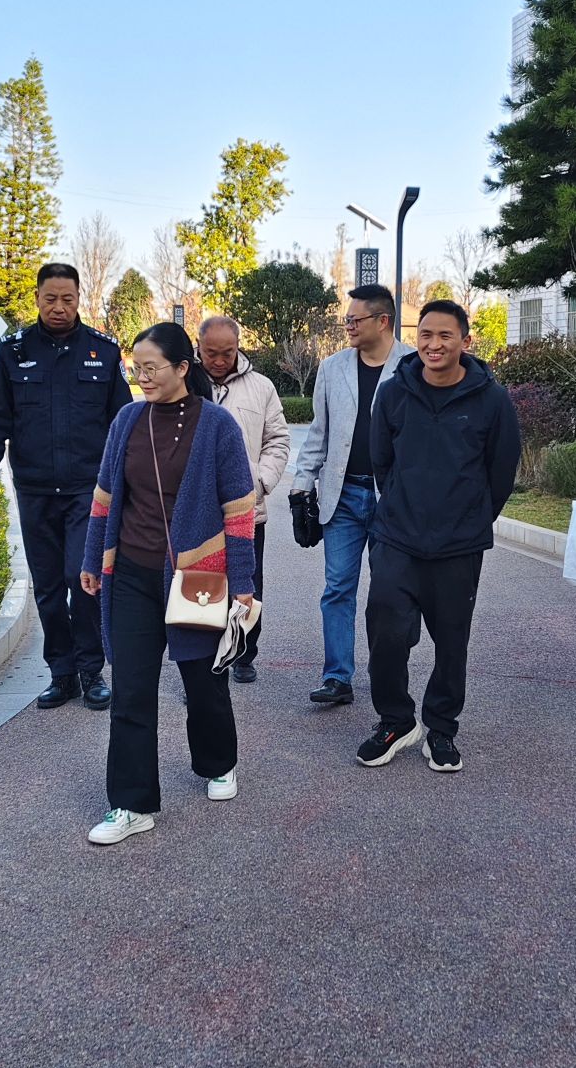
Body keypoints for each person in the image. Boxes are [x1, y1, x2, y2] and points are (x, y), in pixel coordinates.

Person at [77, 323, 259, 845]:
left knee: (202, 681)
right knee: (131, 690)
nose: (143, 377)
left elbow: (239, 511)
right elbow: (105, 497)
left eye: (152, 368)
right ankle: (131, 804)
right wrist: (92, 558)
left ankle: (218, 762)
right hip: (132, 573)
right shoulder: (127, 420)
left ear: (182, 368)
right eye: (136, 368)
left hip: (198, 573)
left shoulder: (217, 426)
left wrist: (242, 580)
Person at [358, 301, 521, 773]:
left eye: (445, 335)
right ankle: (395, 720)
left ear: (465, 341)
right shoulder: (394, 392)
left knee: (452, 642)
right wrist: (401, 505)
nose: (434, 344)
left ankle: (441, 728)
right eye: (426, 334)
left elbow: (501, 471)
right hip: (397, 538)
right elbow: (382, 461)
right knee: (386, 631)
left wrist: (471, 518)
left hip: (458, 545)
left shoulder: (491, 399)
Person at [0, 262, 130, 711]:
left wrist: (128, 480)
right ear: (38, 299)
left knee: (81, 577)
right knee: (47, 585)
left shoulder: (103, 352)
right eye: (50, 299)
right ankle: (61, 673)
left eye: (67, 299)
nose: (59, 307)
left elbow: (123, 422)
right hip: (35, 488)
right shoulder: (13, 351)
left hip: (88, 490)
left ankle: (91, 670)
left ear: (79, 299)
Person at [288, 283, 413, 706]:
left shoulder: (412, 366)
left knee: (388, 594)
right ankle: (337, 677)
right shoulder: (332, 368)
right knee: (337, 587)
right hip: (341, 495)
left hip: (391, 499)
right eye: (346, 319)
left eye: (355, 320)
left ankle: (386, 674)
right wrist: (301, 486)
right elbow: (319, 434)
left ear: (383, 321)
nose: (348, 326)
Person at [199, 315, 291, 683]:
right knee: (200, 583)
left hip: (247, 509)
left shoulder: (262, 387)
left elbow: (278, 440)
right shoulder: (184, 382)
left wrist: (261, 481)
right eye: (211, 353)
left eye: (228, 352)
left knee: (247, 581)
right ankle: (203, 658)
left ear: (239, 346)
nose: (219, 361)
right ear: (198, 346)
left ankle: (242, 652)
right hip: (198, 510)